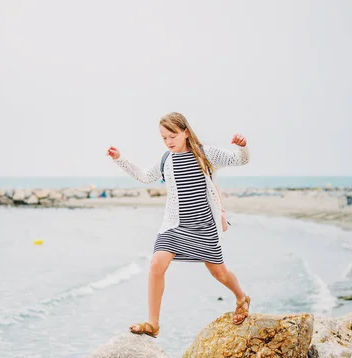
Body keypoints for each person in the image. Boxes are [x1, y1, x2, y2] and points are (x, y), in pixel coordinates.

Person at [106, 112, 251, 338]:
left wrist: (242, 146)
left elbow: (241, 159)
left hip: (204, 225)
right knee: (156, 264)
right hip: (175, 225)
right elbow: (145, 176)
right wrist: (120, 159)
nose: (168, 141)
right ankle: (153, 323)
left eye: (172, 135)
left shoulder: (206, 154)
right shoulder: (167, 160)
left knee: (220, 273)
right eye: (164, 138)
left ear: (185, 132)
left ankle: (242, 298)